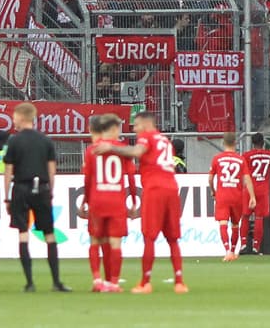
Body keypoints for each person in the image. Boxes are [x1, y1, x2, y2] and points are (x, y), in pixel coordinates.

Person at [96, 111, 189, 293]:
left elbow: (137, 152)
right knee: (173, 239)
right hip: (172, 188)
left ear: (146, 125)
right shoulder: (164, 141)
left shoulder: (147, 137)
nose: (135, 129)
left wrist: (111, 148)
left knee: (149, 238)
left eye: (136, 125)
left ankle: (145, 282)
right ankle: (179, 282)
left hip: (154, 189)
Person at [3, 103, 69, 293]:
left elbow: (8, 171)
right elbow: (51, 170)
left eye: (15, 117)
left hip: (21, 189)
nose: (13, 120)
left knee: (23, 234)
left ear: (22, 118)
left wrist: (7, 197)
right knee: (49, 233)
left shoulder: (14, 141)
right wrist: (50, 191)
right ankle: (56, 282)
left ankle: (29, 283)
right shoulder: (45, 140)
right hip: (42, 188)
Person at [81, 114, 136, 292]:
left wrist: (85, 201)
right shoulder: (123, 150)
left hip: (97, 200)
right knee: (115, 243)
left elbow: (88, 180)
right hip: (116, 201)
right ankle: (113, 282)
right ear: (112, 129)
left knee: (95, 241)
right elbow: (131, 178)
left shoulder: (91, 150)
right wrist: (134, 200)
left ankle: (97, 280)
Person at [209, 131, 257, 261]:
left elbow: (210, 178)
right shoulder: (240, 159)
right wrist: (252, 196)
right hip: (236, 196)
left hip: (222, 195)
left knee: (223, 223)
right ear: (235, 143)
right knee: (235, 224)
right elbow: (247, 179)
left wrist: (213, 190)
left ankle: (227, 251)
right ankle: (234, 251)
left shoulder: (217, 159)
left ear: (223, 143)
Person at [241, 132, 270, 254]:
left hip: (250, 189)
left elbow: (243, 170)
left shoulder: (247, 155)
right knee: (259, 218)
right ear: (263, 143)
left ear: (252, 143)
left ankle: (243, 244)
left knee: (245, 216)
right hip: (263, 189)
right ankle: (256, 247)